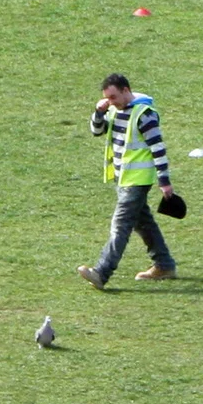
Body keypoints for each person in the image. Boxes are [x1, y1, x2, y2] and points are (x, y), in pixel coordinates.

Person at [77, 74, 177, 289]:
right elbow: (97, 132)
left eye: (113, 97)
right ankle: (164, 264)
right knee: (143, 222)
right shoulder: (114, 110)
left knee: (120, 226)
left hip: (137, 180)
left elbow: (158, 149)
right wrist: (99, 112)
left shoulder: (144, 115)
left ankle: (102, 272)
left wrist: (164, 180)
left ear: (126, 90)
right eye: (107, 98)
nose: (111, 102)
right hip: (122, 178)